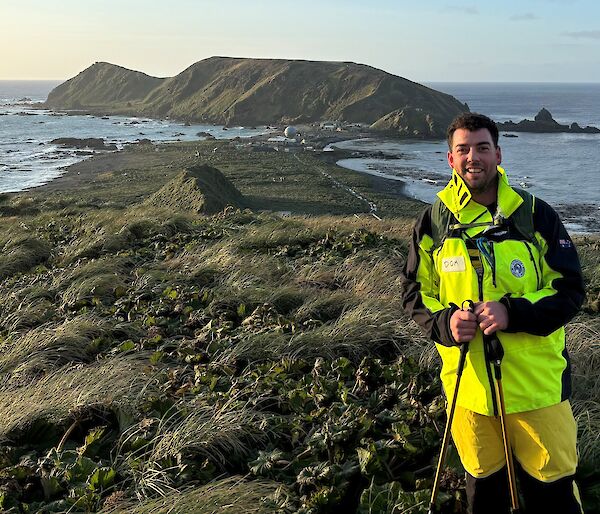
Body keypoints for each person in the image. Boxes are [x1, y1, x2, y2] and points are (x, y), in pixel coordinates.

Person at [402, 112, 585, 514]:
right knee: (484, 496)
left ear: (498, 154)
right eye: (463, 149)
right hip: (468, 391)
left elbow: (570, 290)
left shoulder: (535, 215)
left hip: (537, 391)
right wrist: (445, 323)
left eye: (482, 148)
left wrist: (511, 313)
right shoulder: (432, 223)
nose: (473, 157)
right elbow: (416, 294)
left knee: (552, 497)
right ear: (450, 159)